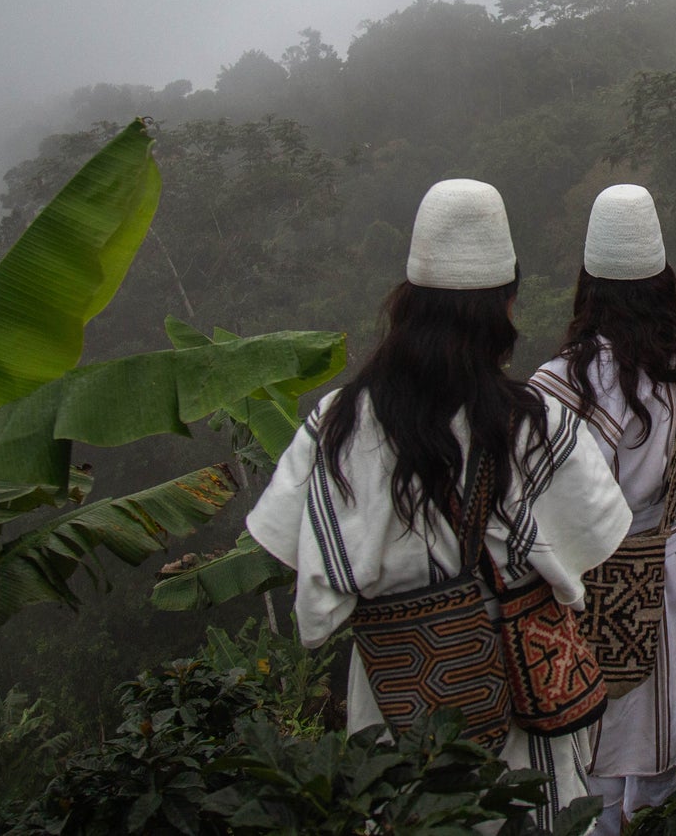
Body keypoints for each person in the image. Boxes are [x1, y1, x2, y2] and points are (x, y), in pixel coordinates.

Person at [246, 178, 631, 831]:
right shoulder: (539, 426)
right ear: (505, 305)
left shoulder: (339, 426)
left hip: (401, 701)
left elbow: (306, 573)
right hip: (520, 695)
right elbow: (594, 542)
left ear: (407, 305)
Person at [528, 184, 676, 835]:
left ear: (588, 284)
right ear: (664, 282)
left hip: (591, 584)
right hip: (670, 567)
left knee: (594, 742)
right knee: (666, 732)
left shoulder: (558, 383)